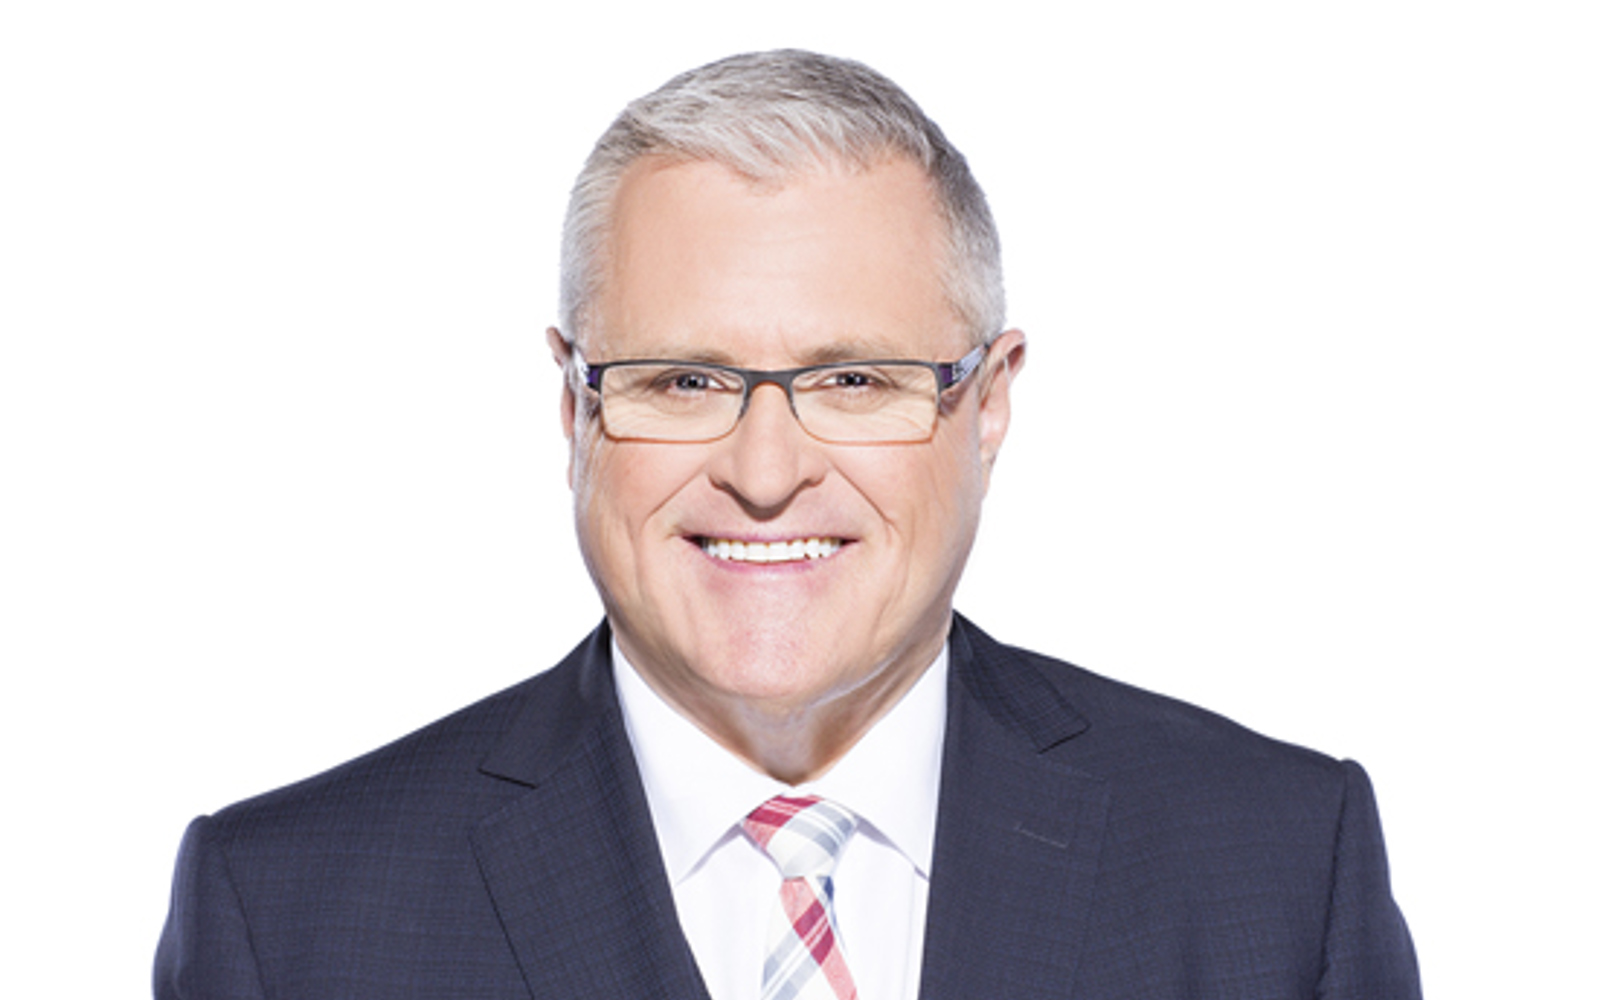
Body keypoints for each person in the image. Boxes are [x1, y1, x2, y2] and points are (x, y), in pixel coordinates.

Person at [155, 49, 1421, 1000]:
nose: (766, 473)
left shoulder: (1274, 870)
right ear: (575, 406)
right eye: (685, 381)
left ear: (986, 406)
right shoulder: (290, 919)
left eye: (853, 379)